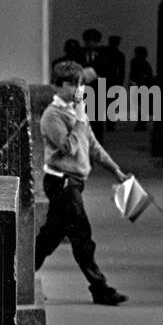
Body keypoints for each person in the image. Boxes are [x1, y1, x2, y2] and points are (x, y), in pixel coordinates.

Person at [36, 61, 131, 305]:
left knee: (50, 237)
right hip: (61, 183)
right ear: (58, 86)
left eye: (80, 84)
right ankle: (100, 287)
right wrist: (79, 118)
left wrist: (116, 171)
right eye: (72, 85)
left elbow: (93, 146)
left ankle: (18, 277)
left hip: (74, 182)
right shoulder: (52, 116)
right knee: (82, 236)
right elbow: (70, 146)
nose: (78, 90)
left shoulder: (76, 112)